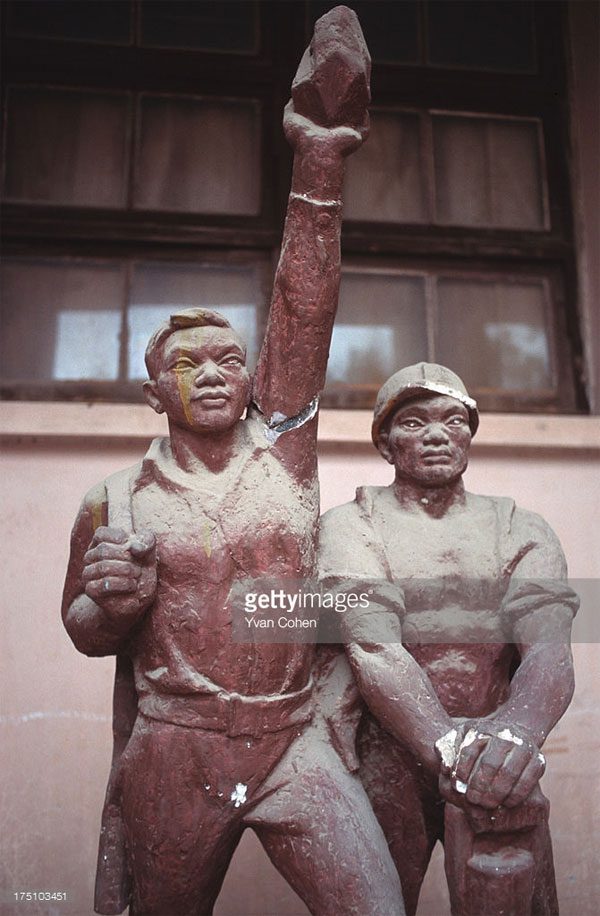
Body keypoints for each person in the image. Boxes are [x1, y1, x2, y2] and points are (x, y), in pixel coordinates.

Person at [62, 9, 405, 915]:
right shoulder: (115, 497)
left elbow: (303, 308)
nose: (212, 373)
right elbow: (88, 630)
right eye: (188, 364)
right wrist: (108, 601)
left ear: (253, 381)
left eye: (229, 361)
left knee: (375, 905)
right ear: (155, 396)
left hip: (293, 743)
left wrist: (318, 163)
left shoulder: (284, 452)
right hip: (179, 750)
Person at [319, 362, 579, 916]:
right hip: (384, 753)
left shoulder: (520, 528)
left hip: (496, 755)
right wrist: (447, 747)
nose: (436, 434)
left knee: (510, 897)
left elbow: (549, 651)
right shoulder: (351, 525)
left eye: (452, 420)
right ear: (386, 445)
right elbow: (374, 647)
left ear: (469, 434)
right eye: (413, 423)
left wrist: (515, 735)